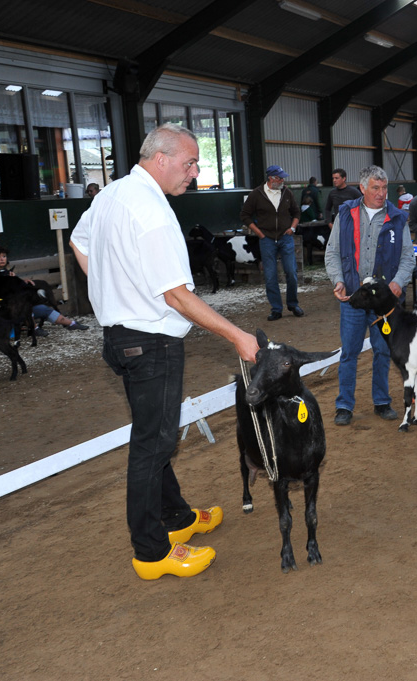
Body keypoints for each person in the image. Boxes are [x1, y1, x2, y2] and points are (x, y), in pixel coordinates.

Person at [69, 123, 260, 580]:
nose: (195, 173)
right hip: (151, 341)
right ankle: (151, 553)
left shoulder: (111, 195)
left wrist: (111, 292)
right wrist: (237, 336)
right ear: (161, 159)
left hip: (122, 336)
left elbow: (79, 242)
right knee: (152, 446)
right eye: (190, 163)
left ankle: (176, 519)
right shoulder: (151, 212)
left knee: (154, 433)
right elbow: (176, 296)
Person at [324, 165, 415, 427]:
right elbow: (332, 252)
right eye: (376, 188)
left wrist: (398, 283)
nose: (381, 193)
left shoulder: (398, 218)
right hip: (353, 298)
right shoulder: (346, 213)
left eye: (384, 187)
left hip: (384, 304)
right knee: (349, 353)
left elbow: (408, 257)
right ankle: (344, 405)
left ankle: (382, 401)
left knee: (383, 351)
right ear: (362, 188)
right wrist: (338, 280)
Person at [240, 164, 304, 321]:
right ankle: (276, 308)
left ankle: (293, 304)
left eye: (282, 178)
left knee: (291, 272)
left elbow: (296, 212)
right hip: (266, 239)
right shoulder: (256, 194)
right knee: (270, 275)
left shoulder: (286, 192)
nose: (283, 180)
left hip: (285, 237)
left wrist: (292, 228)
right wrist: (260, 233)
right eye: (280, 178)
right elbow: (245, 215)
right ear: (271, 178)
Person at [0, 245, 90, 334]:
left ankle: (70, 324)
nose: (2, 259)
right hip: (2, 309)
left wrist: (21, 281)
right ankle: (33, 328)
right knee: (26, 306)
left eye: (4, 256)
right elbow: (0, 293)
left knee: (44, 309)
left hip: (16, 306)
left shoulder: (7, 272)